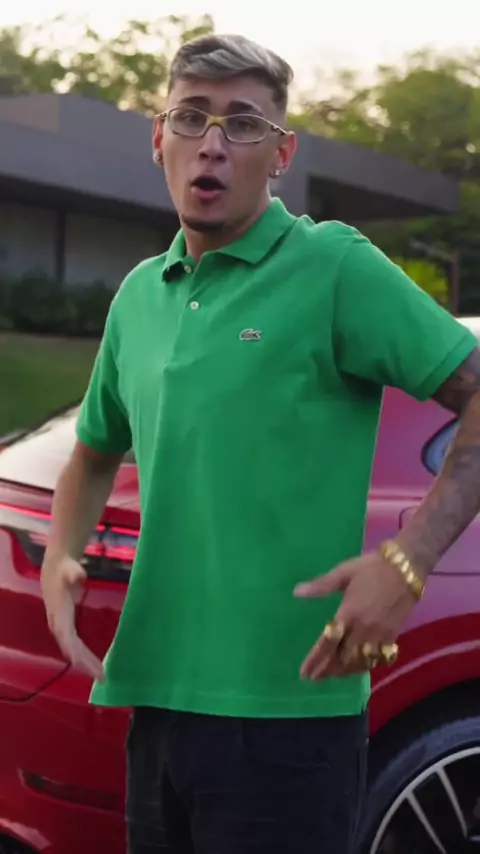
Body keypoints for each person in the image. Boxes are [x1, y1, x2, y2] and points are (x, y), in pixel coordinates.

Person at [40, 33, 480, 854]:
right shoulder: (139, 296)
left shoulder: (333, 265)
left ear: (281, 153)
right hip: (155, 703)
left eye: (243, 123)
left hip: (290, 721)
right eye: (191, 117)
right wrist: (62, 551)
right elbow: (94, 448)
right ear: (158, 138)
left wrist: (408, 561)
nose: (212, 143)